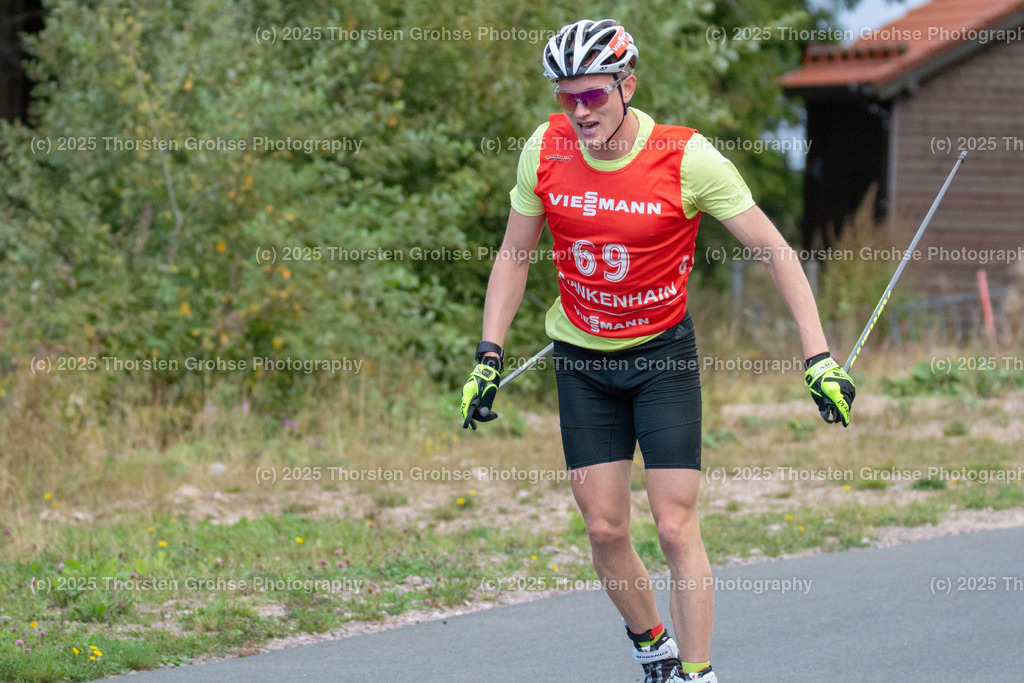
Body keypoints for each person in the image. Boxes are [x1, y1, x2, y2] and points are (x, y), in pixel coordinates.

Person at [460, 18, 855, 683]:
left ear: (627, 85)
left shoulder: (686, 157)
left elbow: (774, 251)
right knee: (606, 531)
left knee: (673, 526)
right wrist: (488, 354)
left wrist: (817, 355)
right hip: (582, 359)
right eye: (566, 97)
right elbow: (514, 255)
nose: (579, 111)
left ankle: (697, 675)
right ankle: (655, 651)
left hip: (661, 358)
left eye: (593, 95)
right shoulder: (545, 148)